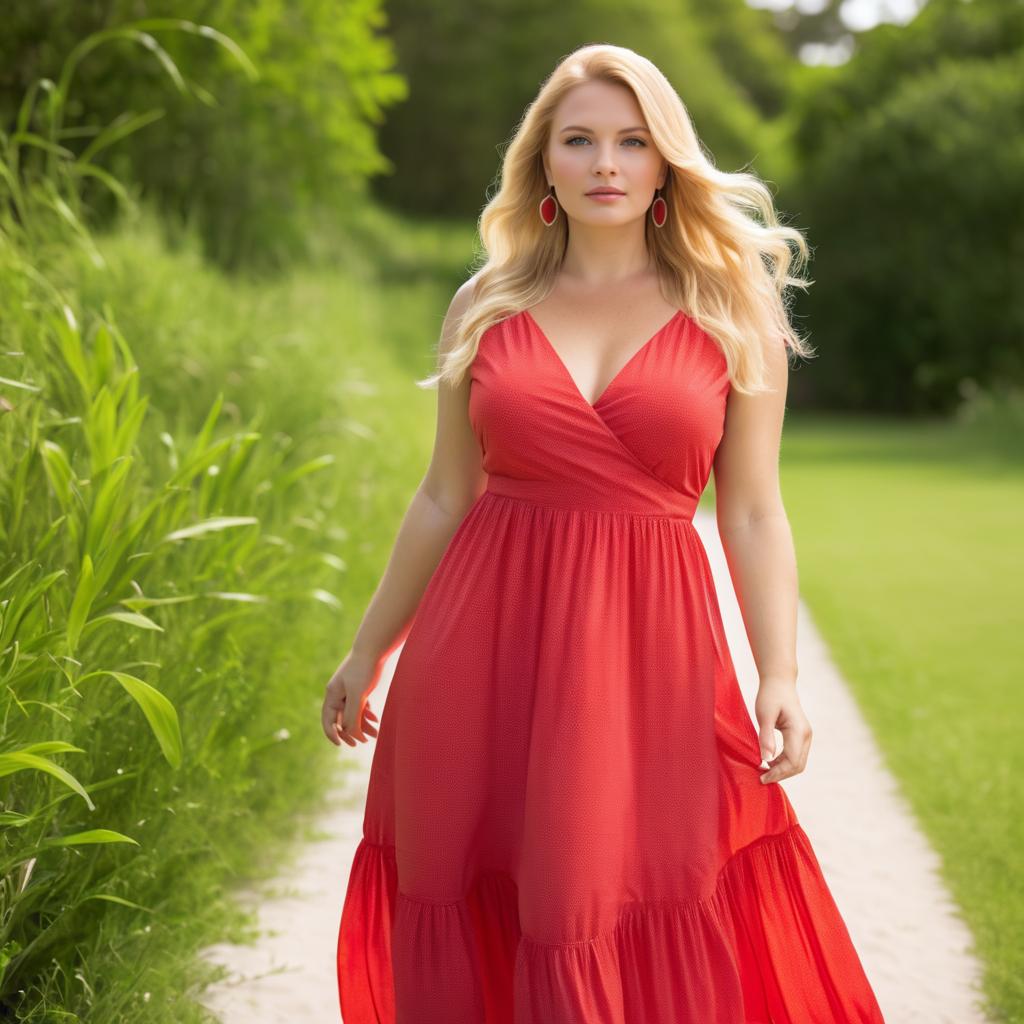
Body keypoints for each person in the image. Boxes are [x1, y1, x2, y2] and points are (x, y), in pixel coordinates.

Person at [325, 42, 886, 1024]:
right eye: (577, 140)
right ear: (541, 161)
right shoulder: (483, 305)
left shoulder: (730, 313)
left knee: (602, 897)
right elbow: (441, 496)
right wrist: (369, 648)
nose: (605, 164)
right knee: (483, 895)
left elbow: (752, 509)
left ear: (666, 161)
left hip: (648, 656)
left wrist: (780, 675)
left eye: (632, 142)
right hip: (481, 650)